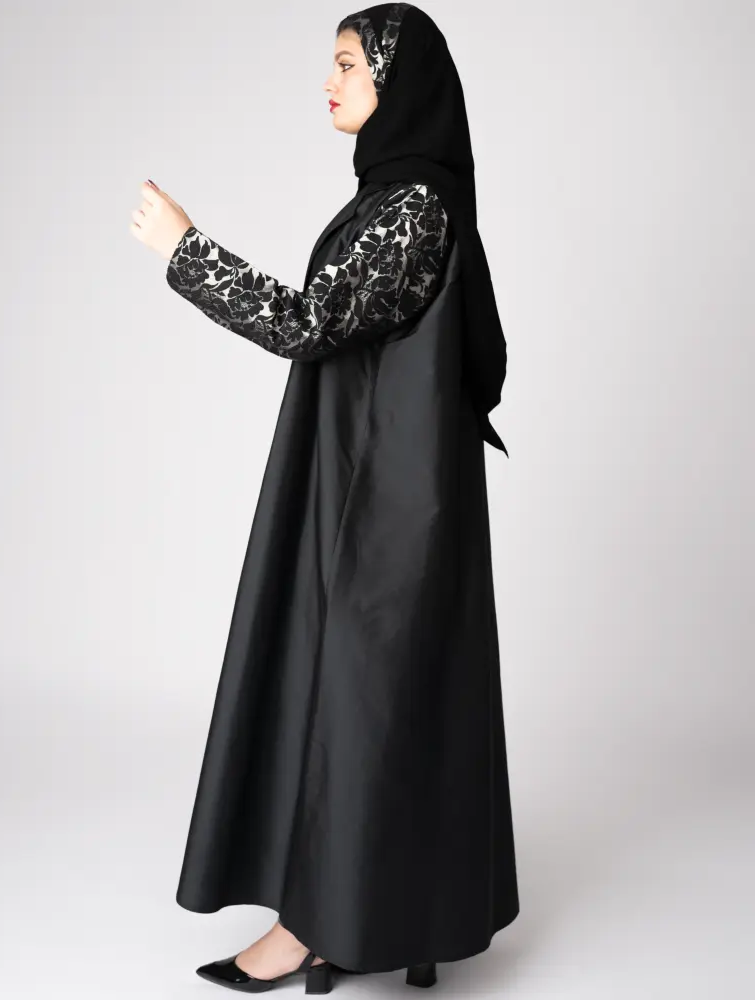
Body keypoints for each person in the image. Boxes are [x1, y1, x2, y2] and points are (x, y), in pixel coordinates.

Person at [130, 2, 519, 992]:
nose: (329, 81)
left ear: (397, 80)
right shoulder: (396, 195)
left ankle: (317, 924)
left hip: (388, 501)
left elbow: (310, 323)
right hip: (371, 478)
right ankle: (368, 913)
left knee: (360, 693)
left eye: (347, 63)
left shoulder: (415, 207)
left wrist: (186, 249)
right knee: (364, 691)